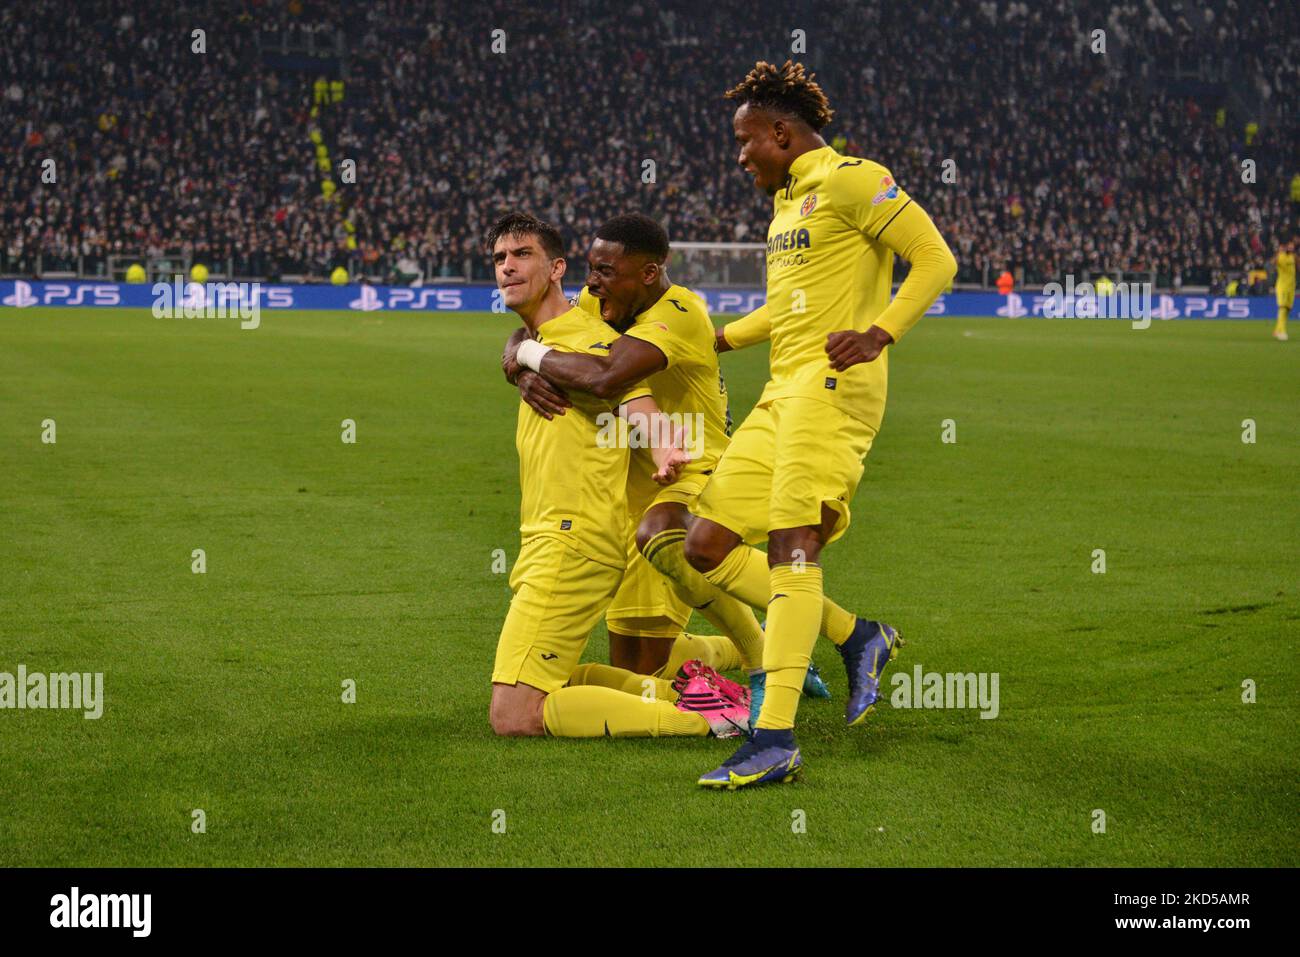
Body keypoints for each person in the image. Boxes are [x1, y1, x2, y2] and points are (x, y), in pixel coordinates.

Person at [685, 61, 957, 788]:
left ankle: (772, 737)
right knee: (704, 544)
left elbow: (935, 258)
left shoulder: (854, 179)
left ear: (781, 131)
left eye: (746, 141)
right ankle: (855, 634)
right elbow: (788, 310)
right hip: (782, 392)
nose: (740, 155)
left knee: (791, 549)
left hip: (835, 391)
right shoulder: (786, 207)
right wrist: (718, 340)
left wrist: (880, 331)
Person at [485, 212, 749, 739]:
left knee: (514, 717)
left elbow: (631, 395)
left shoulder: (596, 339)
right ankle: (694, 689)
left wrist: (664, 445)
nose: (507, 268)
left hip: (574, 537)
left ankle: (715, 720)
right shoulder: (566, 329)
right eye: (499, 259)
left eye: (522, 255)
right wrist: (519, 356)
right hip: (550, 535)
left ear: (556, 267)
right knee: (594, 675)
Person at [1274, 237, 1294, 341]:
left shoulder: (1292, 257)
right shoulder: (1281, 257)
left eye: (1292, 245)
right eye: (1290, 245)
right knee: (1282, 307)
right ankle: (1281, 331)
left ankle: (1277, 330)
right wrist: (1278, 253)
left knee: (1287, 309)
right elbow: (1274, 262)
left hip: (1291, 287)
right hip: (1282, 286)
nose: (1292, 247)